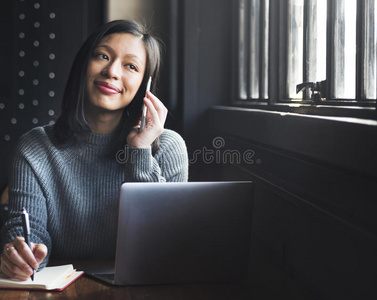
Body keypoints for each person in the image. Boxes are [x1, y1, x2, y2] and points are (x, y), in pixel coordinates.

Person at [0, 20, 188, 280]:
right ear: (83, 65)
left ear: (144, 85)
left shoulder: (168, 147)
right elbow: (28, 232)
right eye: (103, 56)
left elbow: (166, 247)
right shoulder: (34, 147)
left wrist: (140, 151)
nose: (112, 71)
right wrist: (23, 255)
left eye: (130, 66)